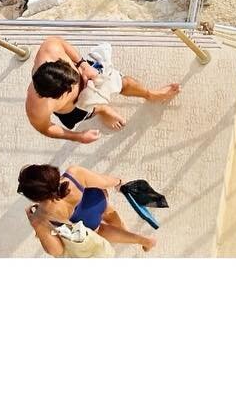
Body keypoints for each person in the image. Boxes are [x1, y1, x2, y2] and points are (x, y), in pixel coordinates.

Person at [25, 36, 180, 142]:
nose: (81, 82)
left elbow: (58, 41)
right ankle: (102, 110)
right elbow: (46, 129)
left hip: (88, 71)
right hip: (75, 109)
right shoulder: (37, 108)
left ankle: (149, 94)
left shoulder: (49, 50)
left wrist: (82, 66)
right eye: (72, 85)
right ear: (57, 96)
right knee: (92, 111)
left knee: (123, 82)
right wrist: (78, 136)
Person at [17, 164, 156, 255]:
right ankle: (125, 232)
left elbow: (57, 251)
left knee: (101, 230)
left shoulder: (43, 214)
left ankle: (143, 240)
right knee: (108, 212)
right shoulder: (73, 173)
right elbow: (104, 181)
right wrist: (119, 182)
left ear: (36, 197)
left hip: (86, 220)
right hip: (97, 199)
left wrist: (36, 223)